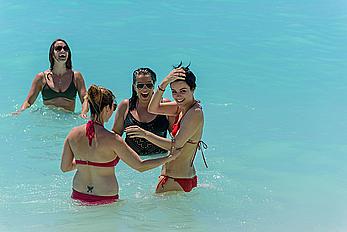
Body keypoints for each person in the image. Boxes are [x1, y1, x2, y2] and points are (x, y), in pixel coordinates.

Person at [60, 85, 177, 205]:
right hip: (105, 197)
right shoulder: (113, 139)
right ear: (107, 108)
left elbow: (65, 167)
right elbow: (140, 166)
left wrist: (84, 161)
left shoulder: (73, 133)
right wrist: (169, 158)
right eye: (113, 107)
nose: (113, 111)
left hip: (78, 193)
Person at [125, 63, 207, 193]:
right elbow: (153, 108)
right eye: (174, 91)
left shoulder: (194, 112)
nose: (178, 96)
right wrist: (163, 84)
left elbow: (176, 144)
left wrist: (145, 134)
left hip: (175, 180)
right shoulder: (181, 107)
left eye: (183, 91)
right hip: (179, 178)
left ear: (193, 89)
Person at [17, 39, 88, 117]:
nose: (62, 50)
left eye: (65, 48)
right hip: (47, 119)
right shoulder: (41, 78)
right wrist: (19, 112)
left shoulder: (76, 77)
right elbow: (28, 102)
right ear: (52, 54)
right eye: (58, 48)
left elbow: (85, 99)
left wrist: (83, 113)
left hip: (68, 119)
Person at [112, 68, 174, 156]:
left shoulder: (164, 105)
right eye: (140, 85)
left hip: (160, 160)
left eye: (149, 85)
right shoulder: (126, 106)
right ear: (134, 87)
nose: (145, 89)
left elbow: (176, 138)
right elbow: (115, 136)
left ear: (154, 86)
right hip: (132, 163)